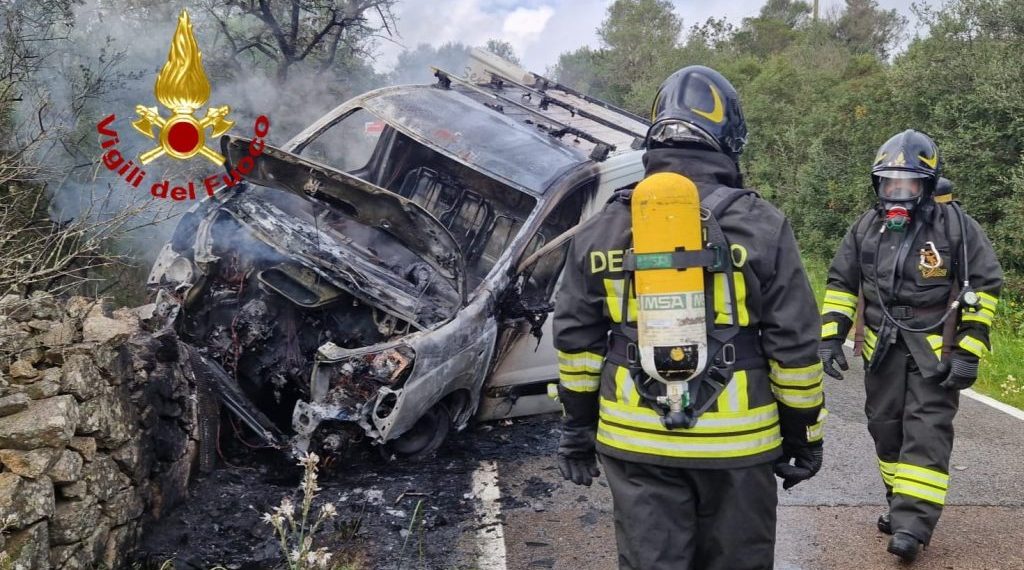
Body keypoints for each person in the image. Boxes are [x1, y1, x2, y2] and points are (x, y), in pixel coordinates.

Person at [552, 65, 826, 570]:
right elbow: (794, 348)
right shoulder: (763, 226)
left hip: (635, 443)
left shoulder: (602, 228)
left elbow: (575, 342)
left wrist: (576, 430)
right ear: (728, 139)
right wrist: (804, 436)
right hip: (741, 448)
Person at [818, 130, 1003, 562]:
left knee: (926, 432)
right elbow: (842, 284)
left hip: (934, 353)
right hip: (881, 349)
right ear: (878, 185)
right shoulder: (867, 226)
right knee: (886, 430)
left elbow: (986, 287)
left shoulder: (955, 226)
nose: (897, 192)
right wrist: (830, 337)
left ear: (927, 184)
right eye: (889, 183)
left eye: (908, 184)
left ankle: (912, 526)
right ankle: (898, 500)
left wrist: (969, 351)